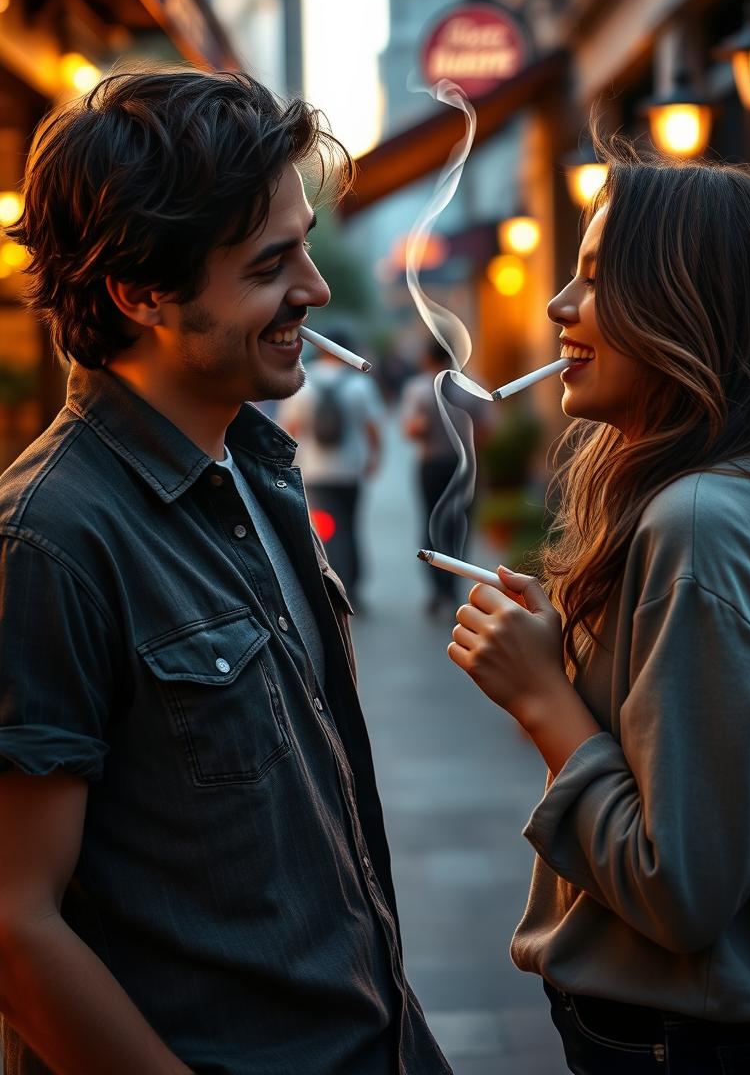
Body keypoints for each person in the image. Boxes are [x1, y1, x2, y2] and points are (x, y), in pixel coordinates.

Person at [0, 67, 450, 1075]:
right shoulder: (49, 542)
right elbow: (14, 928)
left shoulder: (254, 463)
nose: (316, 289)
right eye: (270, 264)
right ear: (140, 291)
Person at [446, 139, 750, 1073]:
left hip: (674, 1048)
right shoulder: (737, 494)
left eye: (596, 277)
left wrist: (542, 697)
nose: (557, 305)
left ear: (688, 309)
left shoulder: (699, 520)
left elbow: (681, 891)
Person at [281, 324, 384, 611]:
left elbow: (289, 429)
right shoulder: (361, 384)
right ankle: (353, 587)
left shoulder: (302, 383)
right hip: (351, 471)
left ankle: (337, 588)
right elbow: (373, 429)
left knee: (328, 531)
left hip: (315, 472)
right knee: (351, 528)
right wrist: (374, 458)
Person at [400, 338, 471, 618]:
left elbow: (411, 430)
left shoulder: (419, 388)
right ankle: (452, 586)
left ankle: (437, 588)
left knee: (430, 521)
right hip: (463, 464)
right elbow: (490, 427)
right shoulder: (471, 386)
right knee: (460, 522)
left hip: (430, 463)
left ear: (428, 358)